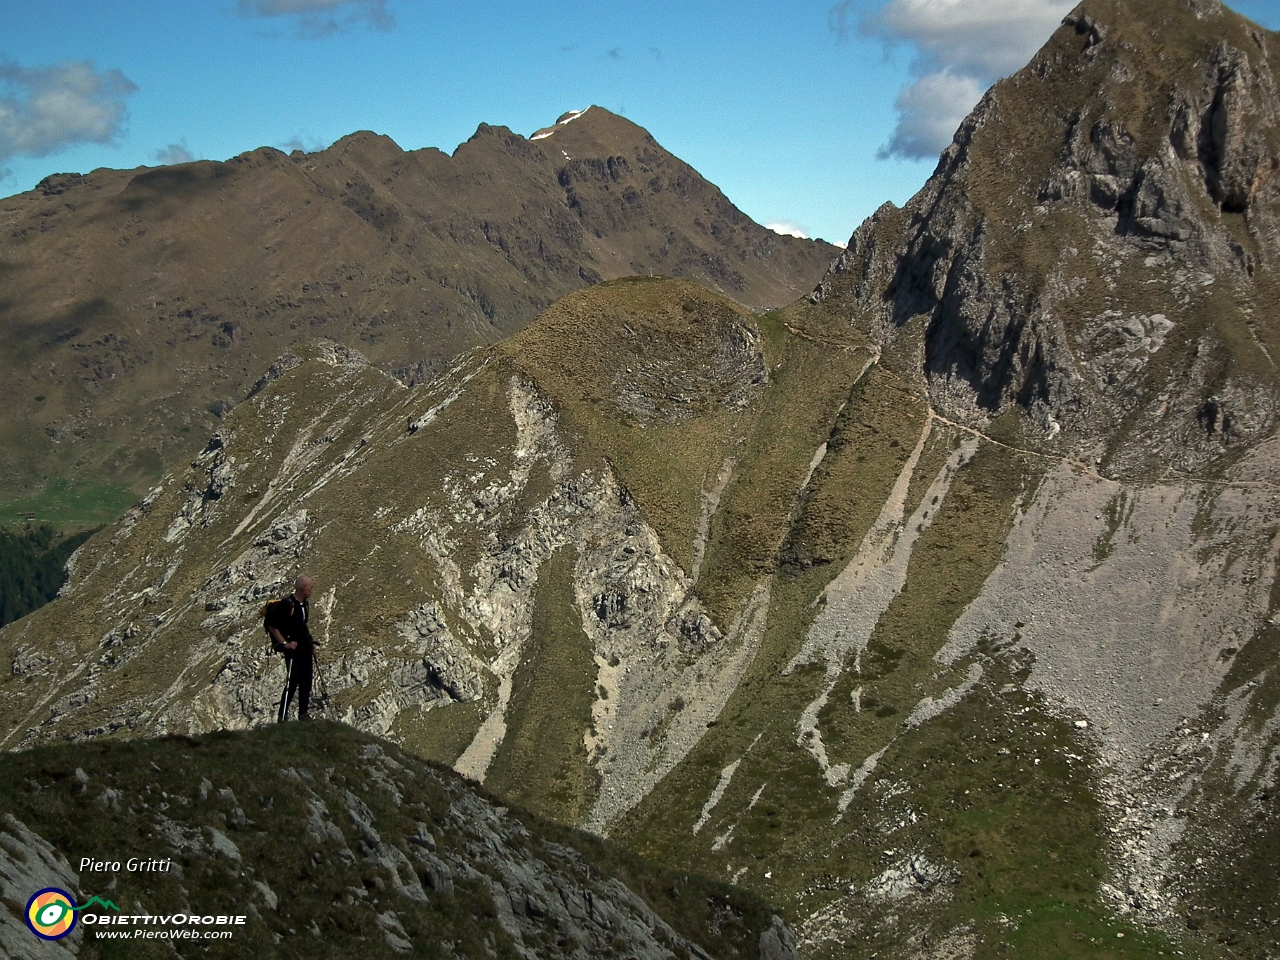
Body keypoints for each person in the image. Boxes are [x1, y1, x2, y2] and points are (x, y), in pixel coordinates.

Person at [268, 575, 318, 720]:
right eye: (311, 587)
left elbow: (302, 627)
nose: (312, 590)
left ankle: (303, 713)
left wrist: (310, 643)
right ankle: (282, 716)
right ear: (304, 588)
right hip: (293, 649)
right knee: (292, 681)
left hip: (304, 648)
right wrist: (285, 644)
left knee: (306, 680)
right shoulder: (287, 604)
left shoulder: (304, 605)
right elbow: (273, 626)